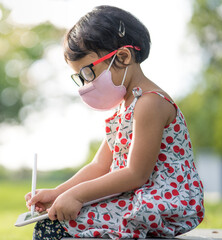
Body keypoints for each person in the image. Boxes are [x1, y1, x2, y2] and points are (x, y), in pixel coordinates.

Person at [25, 5, 204, 240]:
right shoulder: (124, 107)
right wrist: (59, 192)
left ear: (123, 56)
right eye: (80, 77)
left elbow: (135, 174)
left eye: (89, 73)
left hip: (159, 202)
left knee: (57, 226)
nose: (86, 83)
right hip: (135, 196)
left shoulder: (149, 103)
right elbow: (100, 165)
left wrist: (78, 195)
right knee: (56, 218)